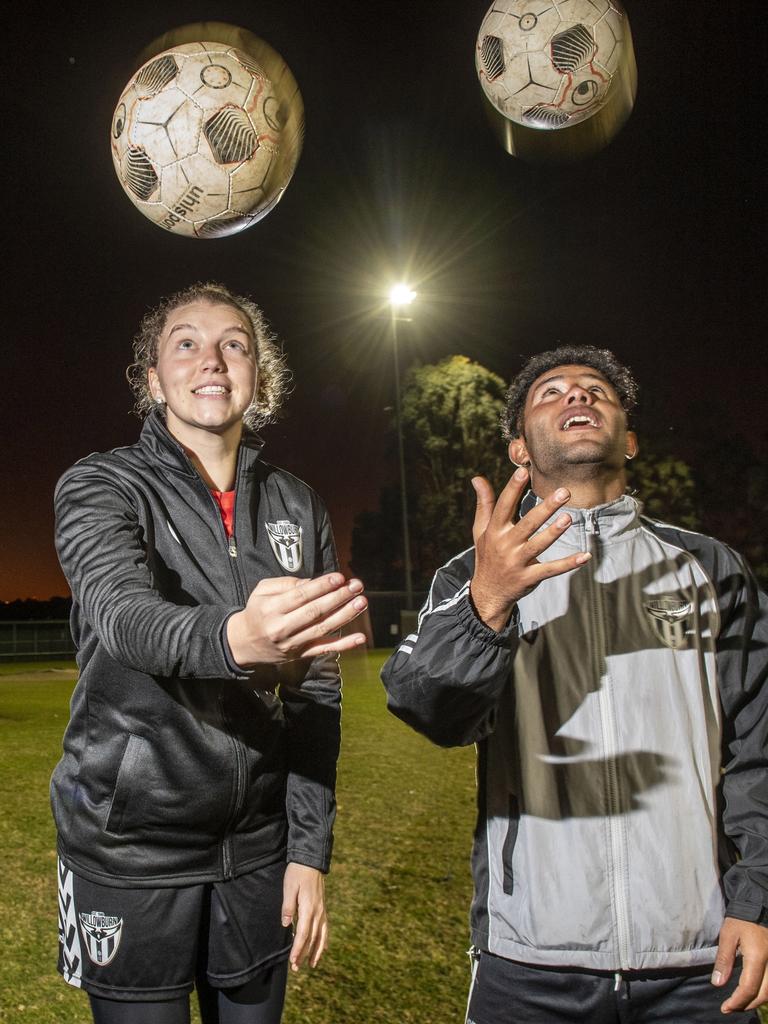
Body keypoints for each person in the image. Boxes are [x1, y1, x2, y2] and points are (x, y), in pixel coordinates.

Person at [381, 345, 768, 1023]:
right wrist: (486, 605)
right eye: (550, 393)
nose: (578, 397)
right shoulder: (473, 576)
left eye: (597, 391)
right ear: (519, 452)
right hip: (529, 960)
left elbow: (760, 753)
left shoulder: (713, 569)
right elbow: (427, 709)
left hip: (696, 960)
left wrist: (758, 900)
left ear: (632, 438)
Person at [52, 282, 368, 1024]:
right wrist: (237, 639)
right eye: (185, 343)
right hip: (128, 851)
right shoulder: (102, 484)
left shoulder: (297, 504)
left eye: (235, 344)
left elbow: (315, 695)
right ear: (154, 379)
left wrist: (307, 851)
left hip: (258, 851)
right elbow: (124, 618)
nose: (213, 359)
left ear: (259, 375)